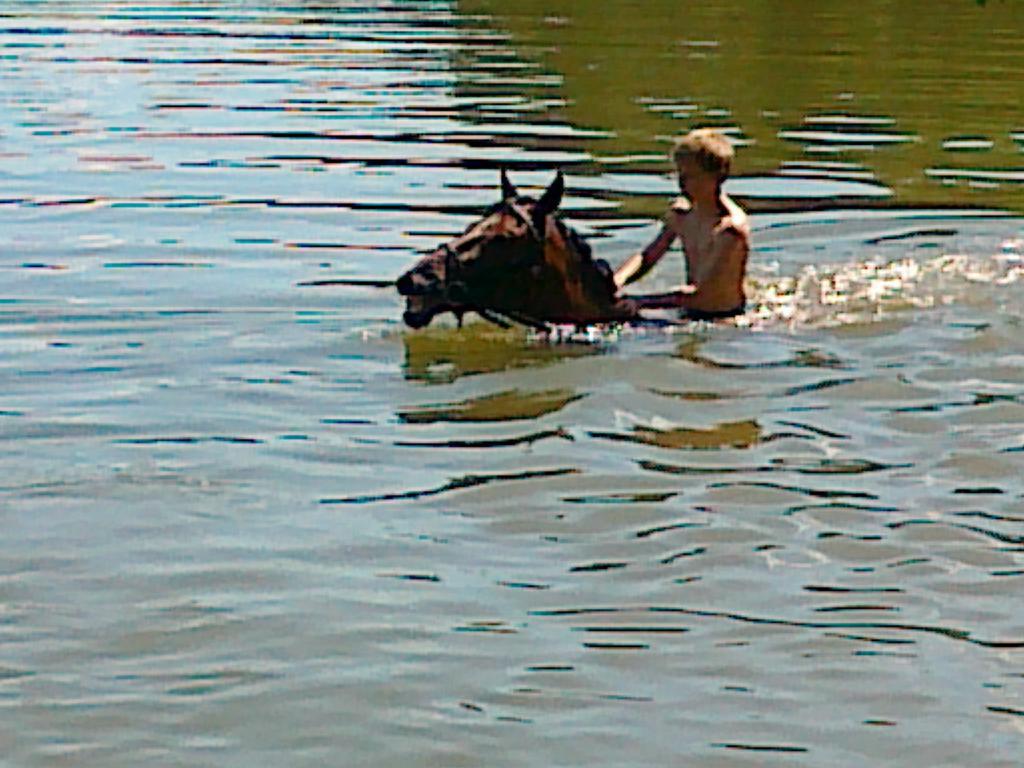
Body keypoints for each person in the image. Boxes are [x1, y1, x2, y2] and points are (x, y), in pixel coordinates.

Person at [613, 128, 751, 321]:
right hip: (687, 310)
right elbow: (648, 257)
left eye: (690, 176)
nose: (681, 183)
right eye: (680, 174)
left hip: (724, 318)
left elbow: (701, 295)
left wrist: (640, 301)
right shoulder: (681, 214)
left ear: (716, 176)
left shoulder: (730, 230)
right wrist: (617, 280)